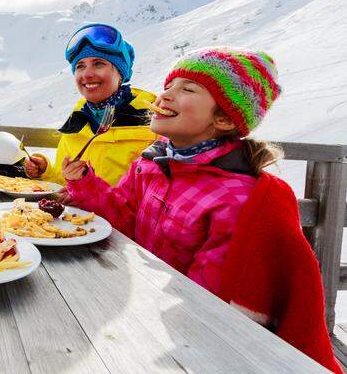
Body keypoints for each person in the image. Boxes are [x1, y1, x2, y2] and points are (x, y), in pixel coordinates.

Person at [62, 48, 341, 372]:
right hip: (141, 312)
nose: (165, 95)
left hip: (187, 343)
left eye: (187, 89)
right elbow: (122, 217)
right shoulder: (151, 163)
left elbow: (203, 306)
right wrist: (84, 183)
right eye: (169, 86)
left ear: (223, 119)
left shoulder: (235, 200)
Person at [24, 23, 157, 188]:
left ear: (120, 73)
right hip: (75, 214)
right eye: (80, 66)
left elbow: (151, 198)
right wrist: (46, 171)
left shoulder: (153, 123)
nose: (87, 74)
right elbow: (65, 181)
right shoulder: (77, 121)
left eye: (99, 63)